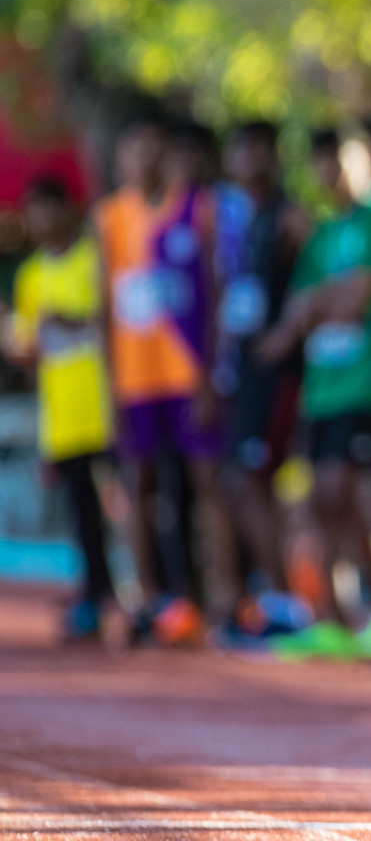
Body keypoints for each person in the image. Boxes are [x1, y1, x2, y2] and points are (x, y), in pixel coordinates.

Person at [256, 129, 371, 626]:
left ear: (365, 160)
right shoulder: (321, 234)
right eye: (320, 163)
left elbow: (351, 302)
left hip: (370, 384)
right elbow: (294, 315)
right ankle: (344, 616)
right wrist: (318, 304)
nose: (329, 173)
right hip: (323, 390)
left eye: (339, 160)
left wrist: (316, 305)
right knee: (324, 502)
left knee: (356, 494)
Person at [96, 110, 235, 642]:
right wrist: (111, 385)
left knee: (207, 482)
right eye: (135, 150)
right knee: (139, 484)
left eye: (155, 148)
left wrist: (209, 371)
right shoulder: (110, 217)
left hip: (186, 374)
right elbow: (106, 308)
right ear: (121, 159)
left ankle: (223, 597)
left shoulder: (197, 210)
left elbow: (215, 291)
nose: (146, 159)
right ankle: (148, 598)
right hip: (135, 380)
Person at [8, 178, 118, 638]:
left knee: (128, 502)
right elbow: (29, 350)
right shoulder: (29, 275)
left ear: (66, 210)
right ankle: (96, 595)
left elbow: (112, 321)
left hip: (108, 405)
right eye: (31, 214)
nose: (40, 222)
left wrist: (71, 319)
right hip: (63, 413)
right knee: (81, 510)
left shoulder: (94, 260)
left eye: (47, 210)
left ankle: (148, 593)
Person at [220, 121, 311, 599]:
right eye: (240, 151)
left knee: (259, 478)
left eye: (257, 151)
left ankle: (289, 597)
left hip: (280, 373)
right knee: (241, 481)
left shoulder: (289, 216)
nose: (248, 161)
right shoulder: (237, 220)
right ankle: (273, 592)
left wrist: (288, 331)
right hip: (245, 369)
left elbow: (318, 272)